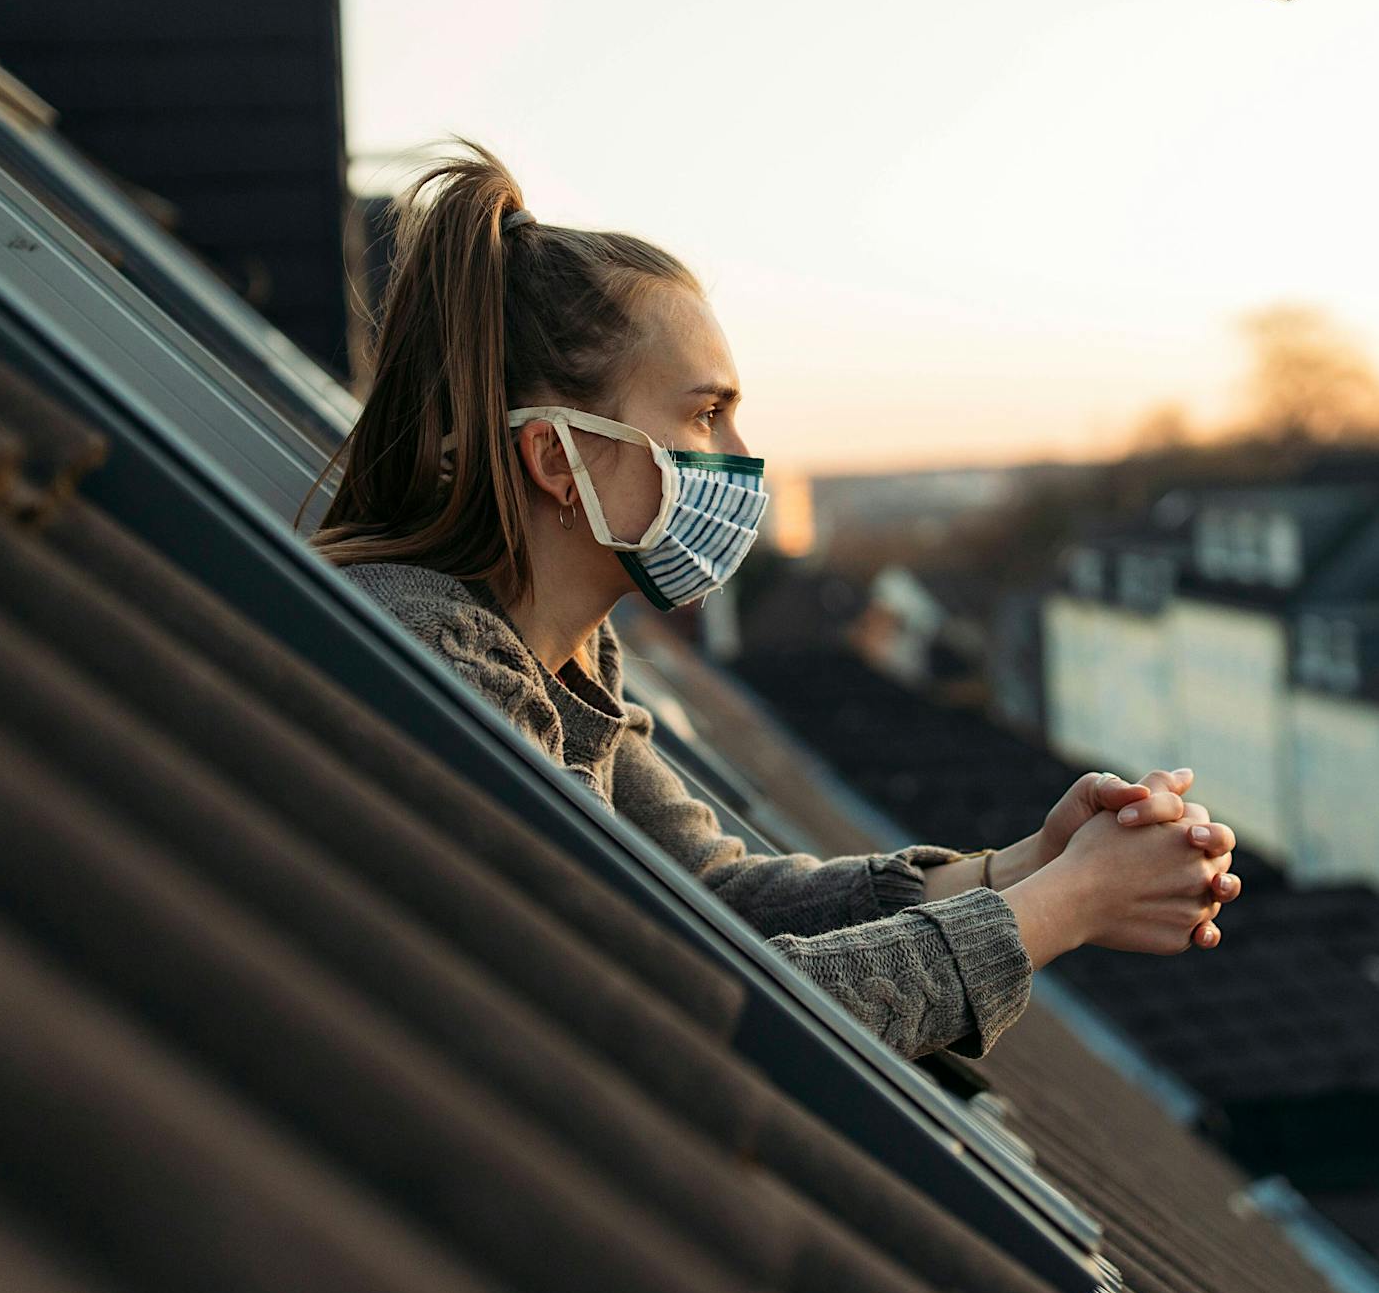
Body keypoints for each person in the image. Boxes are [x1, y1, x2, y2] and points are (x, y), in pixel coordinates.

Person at [305, 139, 1240, 1060]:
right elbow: (679, 1003)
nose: (743, 453)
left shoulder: (562, 658)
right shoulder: (430, 652)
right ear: (558, 458)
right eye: (707, 413)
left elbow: (716, 896)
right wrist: (1067, 904)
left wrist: (1026, 863)